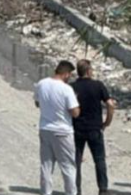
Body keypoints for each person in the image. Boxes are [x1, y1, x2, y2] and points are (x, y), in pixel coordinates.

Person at [35, 61, 81, 195]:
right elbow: (75, 113)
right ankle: (71, 193)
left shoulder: (41, 83)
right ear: (66, 74)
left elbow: (37, 103)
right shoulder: (66, 89)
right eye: (70, 75)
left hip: (45, 128)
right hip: (63, 131)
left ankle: (46, 191)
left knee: (46, 165)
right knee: (68, 166)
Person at [71, 59, 116, 195]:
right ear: (88, 71)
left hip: (77, 128)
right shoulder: (98, 85)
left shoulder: (72, 87)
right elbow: (110, 105)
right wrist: (107, 122)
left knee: (76, 161)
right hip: (95, 128)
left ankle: (76, 190)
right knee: (99, 160)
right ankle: (103, 189)